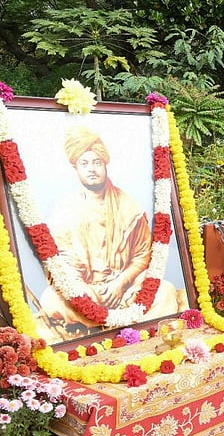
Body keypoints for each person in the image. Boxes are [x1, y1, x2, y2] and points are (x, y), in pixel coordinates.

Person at [40, 125, 180, 329]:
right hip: (88, 290)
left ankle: (108, 325)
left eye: (97, 162)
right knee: (50, 298)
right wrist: (82, 291)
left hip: (125, 287)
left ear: (105, 165)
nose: (91, 169)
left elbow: (143, 255)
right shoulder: (64, 211)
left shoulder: (129, 206)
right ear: (76, 168)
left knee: (165, 291)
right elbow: (61, 263)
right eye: (84, 163)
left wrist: (121, 282)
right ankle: (115, 324)